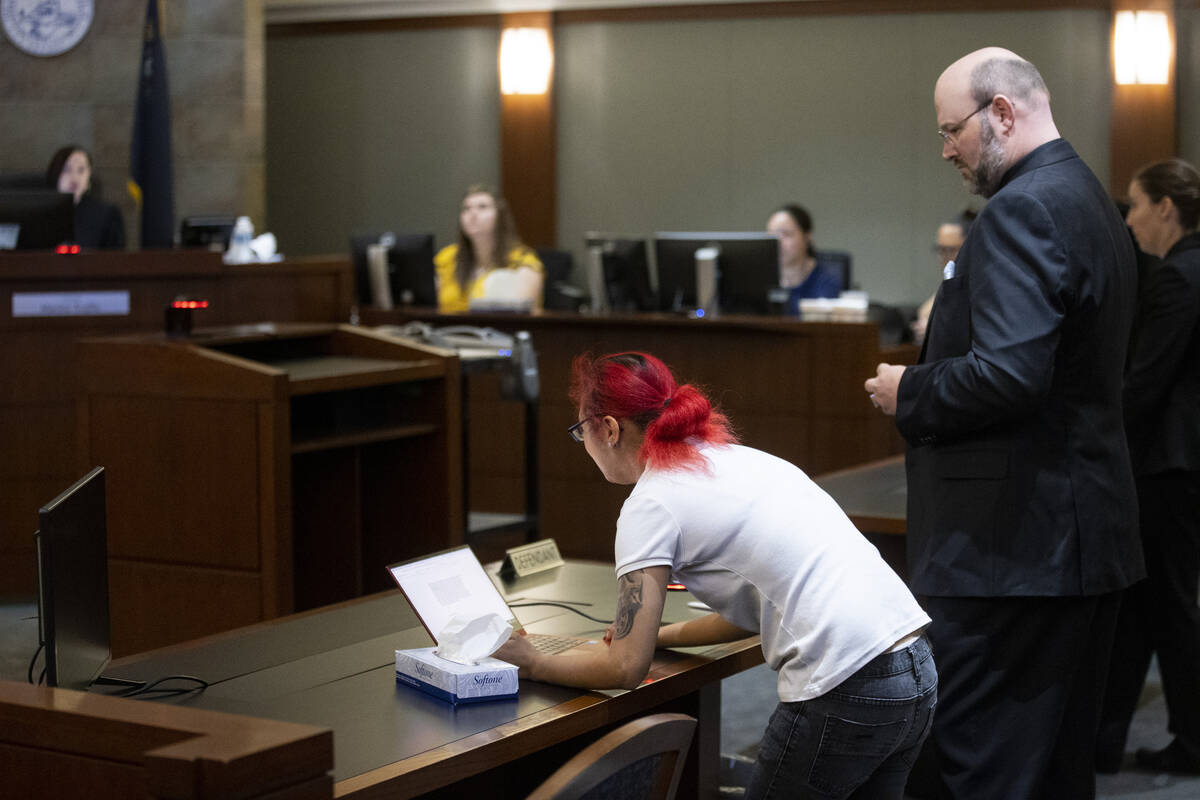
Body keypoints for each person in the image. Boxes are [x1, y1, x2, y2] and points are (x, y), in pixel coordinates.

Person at [864, 48, 1143, 799]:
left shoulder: (1023, 208)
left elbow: (1010, 375)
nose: (945, 147)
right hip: (1073, 541)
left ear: (1004, 113)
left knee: (972, 770)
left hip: (1013, 552)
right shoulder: (1089, 198)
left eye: (952, 128)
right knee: (1053, 771)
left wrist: (909, 390)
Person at [495, 351, 935, 799]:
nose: (583, 444)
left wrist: (533, 662)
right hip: (913, 667)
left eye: (580, 431)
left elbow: (625, 667)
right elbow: (748, 611)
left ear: (607, 428)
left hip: (846, 685)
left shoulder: (652, 502)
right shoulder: (734, 459)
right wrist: (657, 636)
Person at [1097, 158, 1200, 775]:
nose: (1129, 218)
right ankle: (1106, 736)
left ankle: (1192, 741)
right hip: (1180, 463)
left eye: (1135, 204)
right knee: (1148, 606)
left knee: (1167, 608)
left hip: (1166, 464)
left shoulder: (1178, 279)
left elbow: (1144, 386)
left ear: (1165, 206)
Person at [433, 185, 543, 312]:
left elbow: (523, 316)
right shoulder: (447, 257)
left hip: (498, 330)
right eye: (466, 209)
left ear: (500, 216)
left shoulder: (523, 260)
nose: (473, 214)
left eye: (483, 207)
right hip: (446, 330)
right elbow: (425, 303)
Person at [911, 211, 975, 344]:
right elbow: (925, 312)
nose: (943, 257)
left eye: (950, 250)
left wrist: (934, 330)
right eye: (940, 250)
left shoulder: (977, 284)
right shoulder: (949, 281)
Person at [765, 204, 842, 313]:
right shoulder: (759, 280)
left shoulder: (826, 282)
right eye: (772, 234)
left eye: (786, 234)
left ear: (807, 238)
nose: (778, 241)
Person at [45, 145, 125, 249]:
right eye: (67, 170)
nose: (74, 177)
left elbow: (116, 259)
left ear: (89, 178)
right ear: (55, 174)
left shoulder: (107, 214)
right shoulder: (41, 213)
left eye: (81, 170)